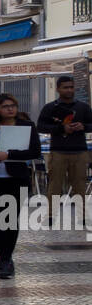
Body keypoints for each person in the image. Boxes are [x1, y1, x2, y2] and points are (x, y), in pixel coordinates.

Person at [0, 92, 41, 279]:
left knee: (9, 220)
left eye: (12, 105)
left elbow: (34, 151)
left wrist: (9, 155)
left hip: (15, 178)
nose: (10, 109)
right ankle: (3, 258)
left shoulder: (26, 125)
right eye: (5, 106)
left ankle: (6, 259)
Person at [37, 76, 92, 226]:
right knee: (55, 185)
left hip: (79, 151)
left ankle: (82, 216)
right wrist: (61, 128)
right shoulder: (50, 107)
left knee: (80, 185)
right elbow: (40, 126)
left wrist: (83, 127)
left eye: (71, 87)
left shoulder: (83, 107)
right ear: (58, 89)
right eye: (65, 87)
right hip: (58, 151)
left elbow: (91, 123)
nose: (69, 90)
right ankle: (50, 215)